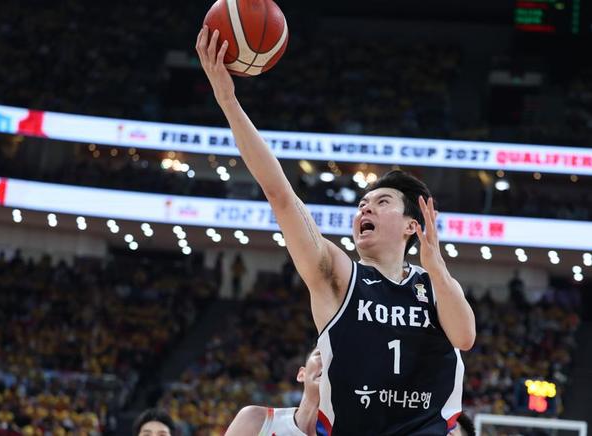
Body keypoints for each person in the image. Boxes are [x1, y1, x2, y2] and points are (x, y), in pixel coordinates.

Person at [196, 26, 475, 435]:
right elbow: (280, 194)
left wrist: (436, 266)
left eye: (382, 202)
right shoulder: (338, 275)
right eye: (362, 204)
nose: (365, 207)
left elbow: (464, 337)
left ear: (412, 225)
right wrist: (228, 100)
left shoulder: (436, 285)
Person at [225, 348, 322, 436]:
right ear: (301, 374)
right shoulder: (255, 419)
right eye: (320, 354)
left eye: (331, 360)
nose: (327, 363)